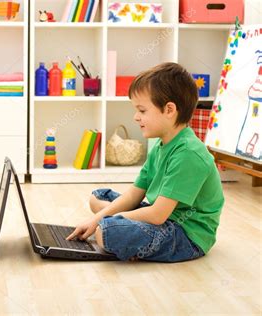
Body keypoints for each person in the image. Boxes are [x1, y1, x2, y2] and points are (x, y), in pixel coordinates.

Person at [67, 62, 225, 262]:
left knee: (104, 233)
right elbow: (135, 193)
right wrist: (98, 218)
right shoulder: (161, 145)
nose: (136, 117)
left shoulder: (189, 153)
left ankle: (123, 234)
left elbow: (158, 215)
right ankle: (123, 232)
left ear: (169, 110)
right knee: (97, 197)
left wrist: (104, 221)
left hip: (185, 234)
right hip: (163, 216)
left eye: (142, 111)